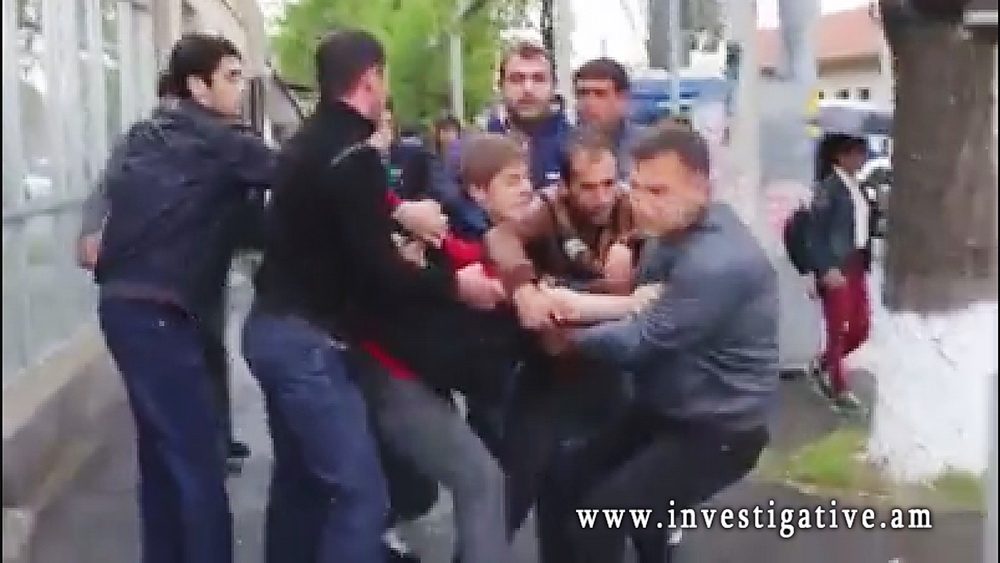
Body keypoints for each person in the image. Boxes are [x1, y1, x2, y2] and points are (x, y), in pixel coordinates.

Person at [242, 29, 499, 563]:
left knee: (301, 486)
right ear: (370, 78)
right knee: (358, 496)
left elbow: (326, 233)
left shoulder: (304, 146)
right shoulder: (354, 156)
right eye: (383, 79)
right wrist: (454, 283)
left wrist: (394, 221)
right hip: (307, 342)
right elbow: (376, 268)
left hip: (272, 329)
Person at [541, 127, 778, 563]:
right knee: (568, 480)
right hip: (665, 410)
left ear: (700, 187)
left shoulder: (719, 261)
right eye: (636, 187)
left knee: (601, 519)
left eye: (658, 191)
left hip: (718, 429)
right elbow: (640, 301)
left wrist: (567, 334)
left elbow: (642, 338)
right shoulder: (673, 230)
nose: (640, 202)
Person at [95, 33, 274, 563]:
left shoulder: (146, 134)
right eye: (231, 77)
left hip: (122, 306)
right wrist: (397, 211)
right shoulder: (222, 139)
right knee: (198, 461)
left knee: (161, 459)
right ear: (198, 86)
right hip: (160, 313)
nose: (239, 89)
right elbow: (298, 178)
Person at [78, 71, 254, 472]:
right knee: (186, 364)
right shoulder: (144, 138)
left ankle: (218, 437)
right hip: (170, 276)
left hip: (205, 265)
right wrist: (91, 229)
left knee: (211, 351)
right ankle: (201, 446)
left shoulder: (218, 139)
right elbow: (106, 185)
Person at [806, 133, 874, 413]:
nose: (861, 159)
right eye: (855, 153)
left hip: (857, 262)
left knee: (861, 327)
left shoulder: (856, 186)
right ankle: (839, 388)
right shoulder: (829, 188)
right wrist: (823, 268)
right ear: (840, 156)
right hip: (837, 265)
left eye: (862, 153)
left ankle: (823, 364)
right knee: (838, 329)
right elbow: (815, 232)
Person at [572, 57, 646, 181]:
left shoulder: (647, 147)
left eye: (600, 94)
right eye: (582, 93)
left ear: (623, 99)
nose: (589, 103)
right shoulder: (562, 146)